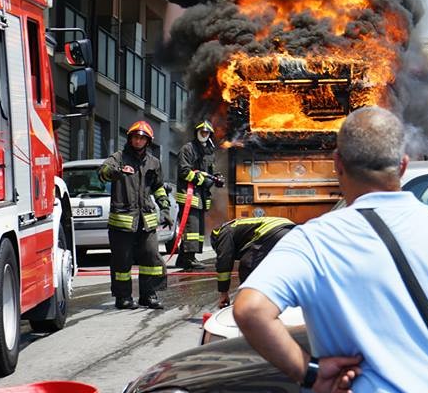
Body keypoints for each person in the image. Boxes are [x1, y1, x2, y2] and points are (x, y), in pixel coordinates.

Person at [233, 107, 428, 393]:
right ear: (403, 166)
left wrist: (310, 372)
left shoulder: (314, 241)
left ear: (337, 163)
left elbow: (251, 310)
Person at [98, 120, 171, 309]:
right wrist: (114, 171)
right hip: (123, 222)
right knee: (122, 262)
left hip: (146, 220)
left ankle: (149, 295)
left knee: (151, 256)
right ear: (130, 138)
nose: (138, 141)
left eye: (142, 138)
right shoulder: (119, 158)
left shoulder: (154, 163)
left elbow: (159, 188)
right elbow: (103, 173)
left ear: (148, 141)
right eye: (135, 137)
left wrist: (165, 208)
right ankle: (123, 297)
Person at [210, 216, 295, 308]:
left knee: (247, 265)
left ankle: (244, 305)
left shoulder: (222, 233)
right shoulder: (239, 230)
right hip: (290, 230)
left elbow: (224, 263)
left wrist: (224, 293)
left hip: (273, 230)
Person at [174, 120, 223, 270]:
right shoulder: (188, 149)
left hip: (201, 196)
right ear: (197, 133)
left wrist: (218, 178)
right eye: (202, 132)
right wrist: (202, 180)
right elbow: (184, 171)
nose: (204, 134)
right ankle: (189, 259)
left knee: (198, 229)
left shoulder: (209, 151)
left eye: (207, 132)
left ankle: (183, 258)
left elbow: (212, 172)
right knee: (192, 228)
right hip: (189, 196)